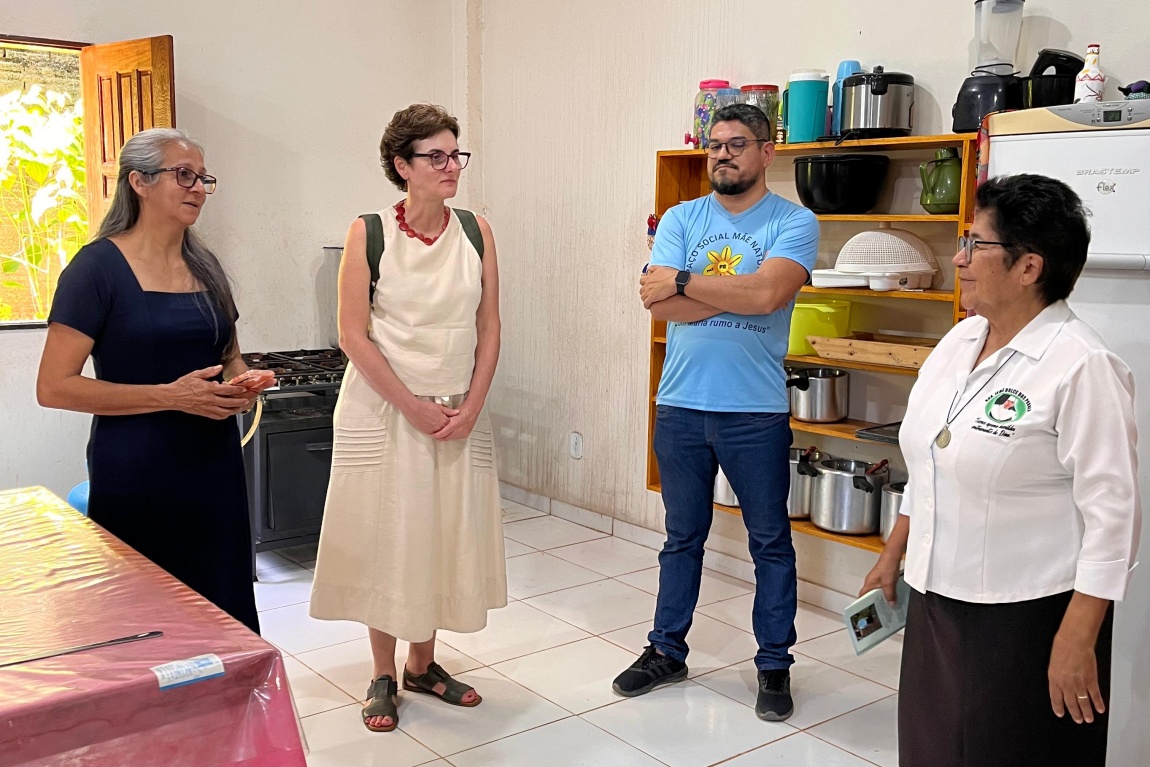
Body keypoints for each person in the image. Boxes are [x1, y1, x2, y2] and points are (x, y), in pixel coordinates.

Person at [862, 174, 1141, 767]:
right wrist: (893, 553)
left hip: (1028, 618)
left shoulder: (1082, 366)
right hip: (938, 597)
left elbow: (1114, 516)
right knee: (934, 749)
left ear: (1028, 267)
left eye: (975, 245)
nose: (958, 259)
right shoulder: (962, 339)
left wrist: (1079, 634)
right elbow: (931, 458)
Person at [617, 103, 819, 721]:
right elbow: (659, 304)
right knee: (682, 539)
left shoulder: (794, 220)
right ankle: (666, 650)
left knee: (770, 543)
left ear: (767, 153)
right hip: (679, 405)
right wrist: (734, 293)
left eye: (736, 144)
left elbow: (769, 293)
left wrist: (687, 281)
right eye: (714, 146)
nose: (722, 155)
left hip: (753, 411)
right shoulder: (682, 216)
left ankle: (774, 664)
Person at [308, 104, 505, 733]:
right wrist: (413, 405)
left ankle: (425, 664)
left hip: (455, 411)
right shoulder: (369, 232)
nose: (452, 167)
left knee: (443, 533)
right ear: (403, 166)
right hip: (383, 410)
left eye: (456, 155)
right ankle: (383, 674)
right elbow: (352, 335)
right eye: (436, 157)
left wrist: (470, 405)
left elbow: (489, 325)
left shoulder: (476, 230)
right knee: (385, 536)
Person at [37, 128, 271, 633]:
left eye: (203, 178)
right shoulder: (95, 269)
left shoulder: (206, 266)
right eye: (183, 175)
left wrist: (242, 382)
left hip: (214, 465)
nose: (197, 189)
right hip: (137, 468)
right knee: (146, 618)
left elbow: (227, 353)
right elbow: (54, 386)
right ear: (138, 182)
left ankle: (227, 707)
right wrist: (171, 397)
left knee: (220, 603)